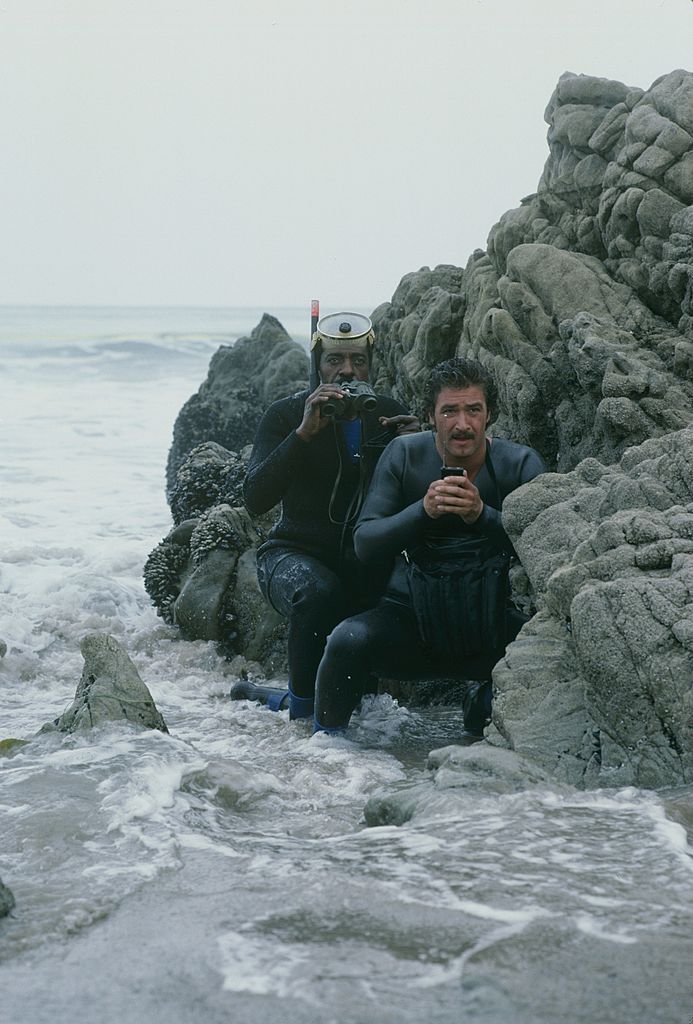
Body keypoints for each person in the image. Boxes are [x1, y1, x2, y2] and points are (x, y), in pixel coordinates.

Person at [313, 356, 546, 738]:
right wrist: (423, 510)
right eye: (449, 411)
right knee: (346, 640)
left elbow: (544, 551)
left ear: (490, 415)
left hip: (487, 625)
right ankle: (325, 751)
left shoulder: (519, 463)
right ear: (431, 415)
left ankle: (481, 704)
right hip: (410, 623)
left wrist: (482, 515)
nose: (462, 424)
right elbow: (366, 543)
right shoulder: (405, 456)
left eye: (474, 410)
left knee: (547, 657)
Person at [236, 311, 418, 719]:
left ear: (372, 364)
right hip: (290, 557)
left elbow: (414, 505)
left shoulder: (387, 413)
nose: (347, 371)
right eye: (335, 361)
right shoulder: (286, 415)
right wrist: (304, 434)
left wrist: (416, 452)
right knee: (319, 593)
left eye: (358, 360)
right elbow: (255, 498)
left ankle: (324, 706)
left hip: (363, 563)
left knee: (359, 704)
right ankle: (302, 717)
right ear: (318, 365)